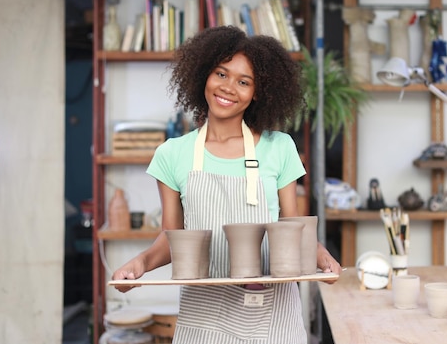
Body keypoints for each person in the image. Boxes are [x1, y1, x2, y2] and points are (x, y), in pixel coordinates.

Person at [112, 25, 342, 343]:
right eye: (221, 74)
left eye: (244, 81)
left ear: (258, 92)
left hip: (272, 319)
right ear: (205, 75)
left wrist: (320, 256)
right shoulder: (172, 154)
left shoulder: (279, 147)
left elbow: (294, 227)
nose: (229, 88)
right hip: (204, 317)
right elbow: (171, 238)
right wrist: (140, 264)